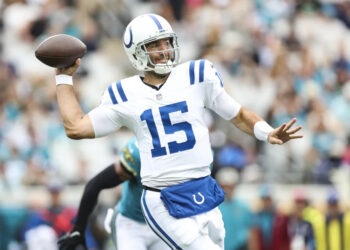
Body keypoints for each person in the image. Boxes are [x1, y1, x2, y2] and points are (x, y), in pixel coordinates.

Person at [53, 13, 303, 249]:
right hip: (163, 198)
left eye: (166, 42)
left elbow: (237, 115)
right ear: (136, 52)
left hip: (203, 189)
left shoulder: (197, 75)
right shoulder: (124, 94)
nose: (164, 50)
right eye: (154, 45)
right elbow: (76, 127)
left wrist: (266, 131)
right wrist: (64, 78)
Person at [57, 138, 167, 250]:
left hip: (164, 223)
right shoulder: (139, 153)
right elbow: (95, 184)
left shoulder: (182, 155)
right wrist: (79, 228)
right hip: (132, 223)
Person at [216, 167, 252, 250]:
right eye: (224, 187)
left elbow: (251, 232)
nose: (227, 190)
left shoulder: (244, 207)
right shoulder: (213, 208)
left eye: (230, 187)